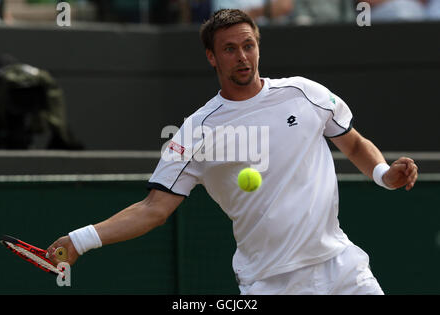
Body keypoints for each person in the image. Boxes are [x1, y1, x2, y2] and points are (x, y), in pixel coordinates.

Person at [47, 9, 418, 295]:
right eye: (229, 49)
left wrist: (384, 175)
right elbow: (153, 209)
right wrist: (79, 240)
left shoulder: (305, 93)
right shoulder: (196, 131)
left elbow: (352, 143)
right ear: (212, 57)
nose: (242, 57)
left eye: (248, 46)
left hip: (342, 268)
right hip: (270, 282)